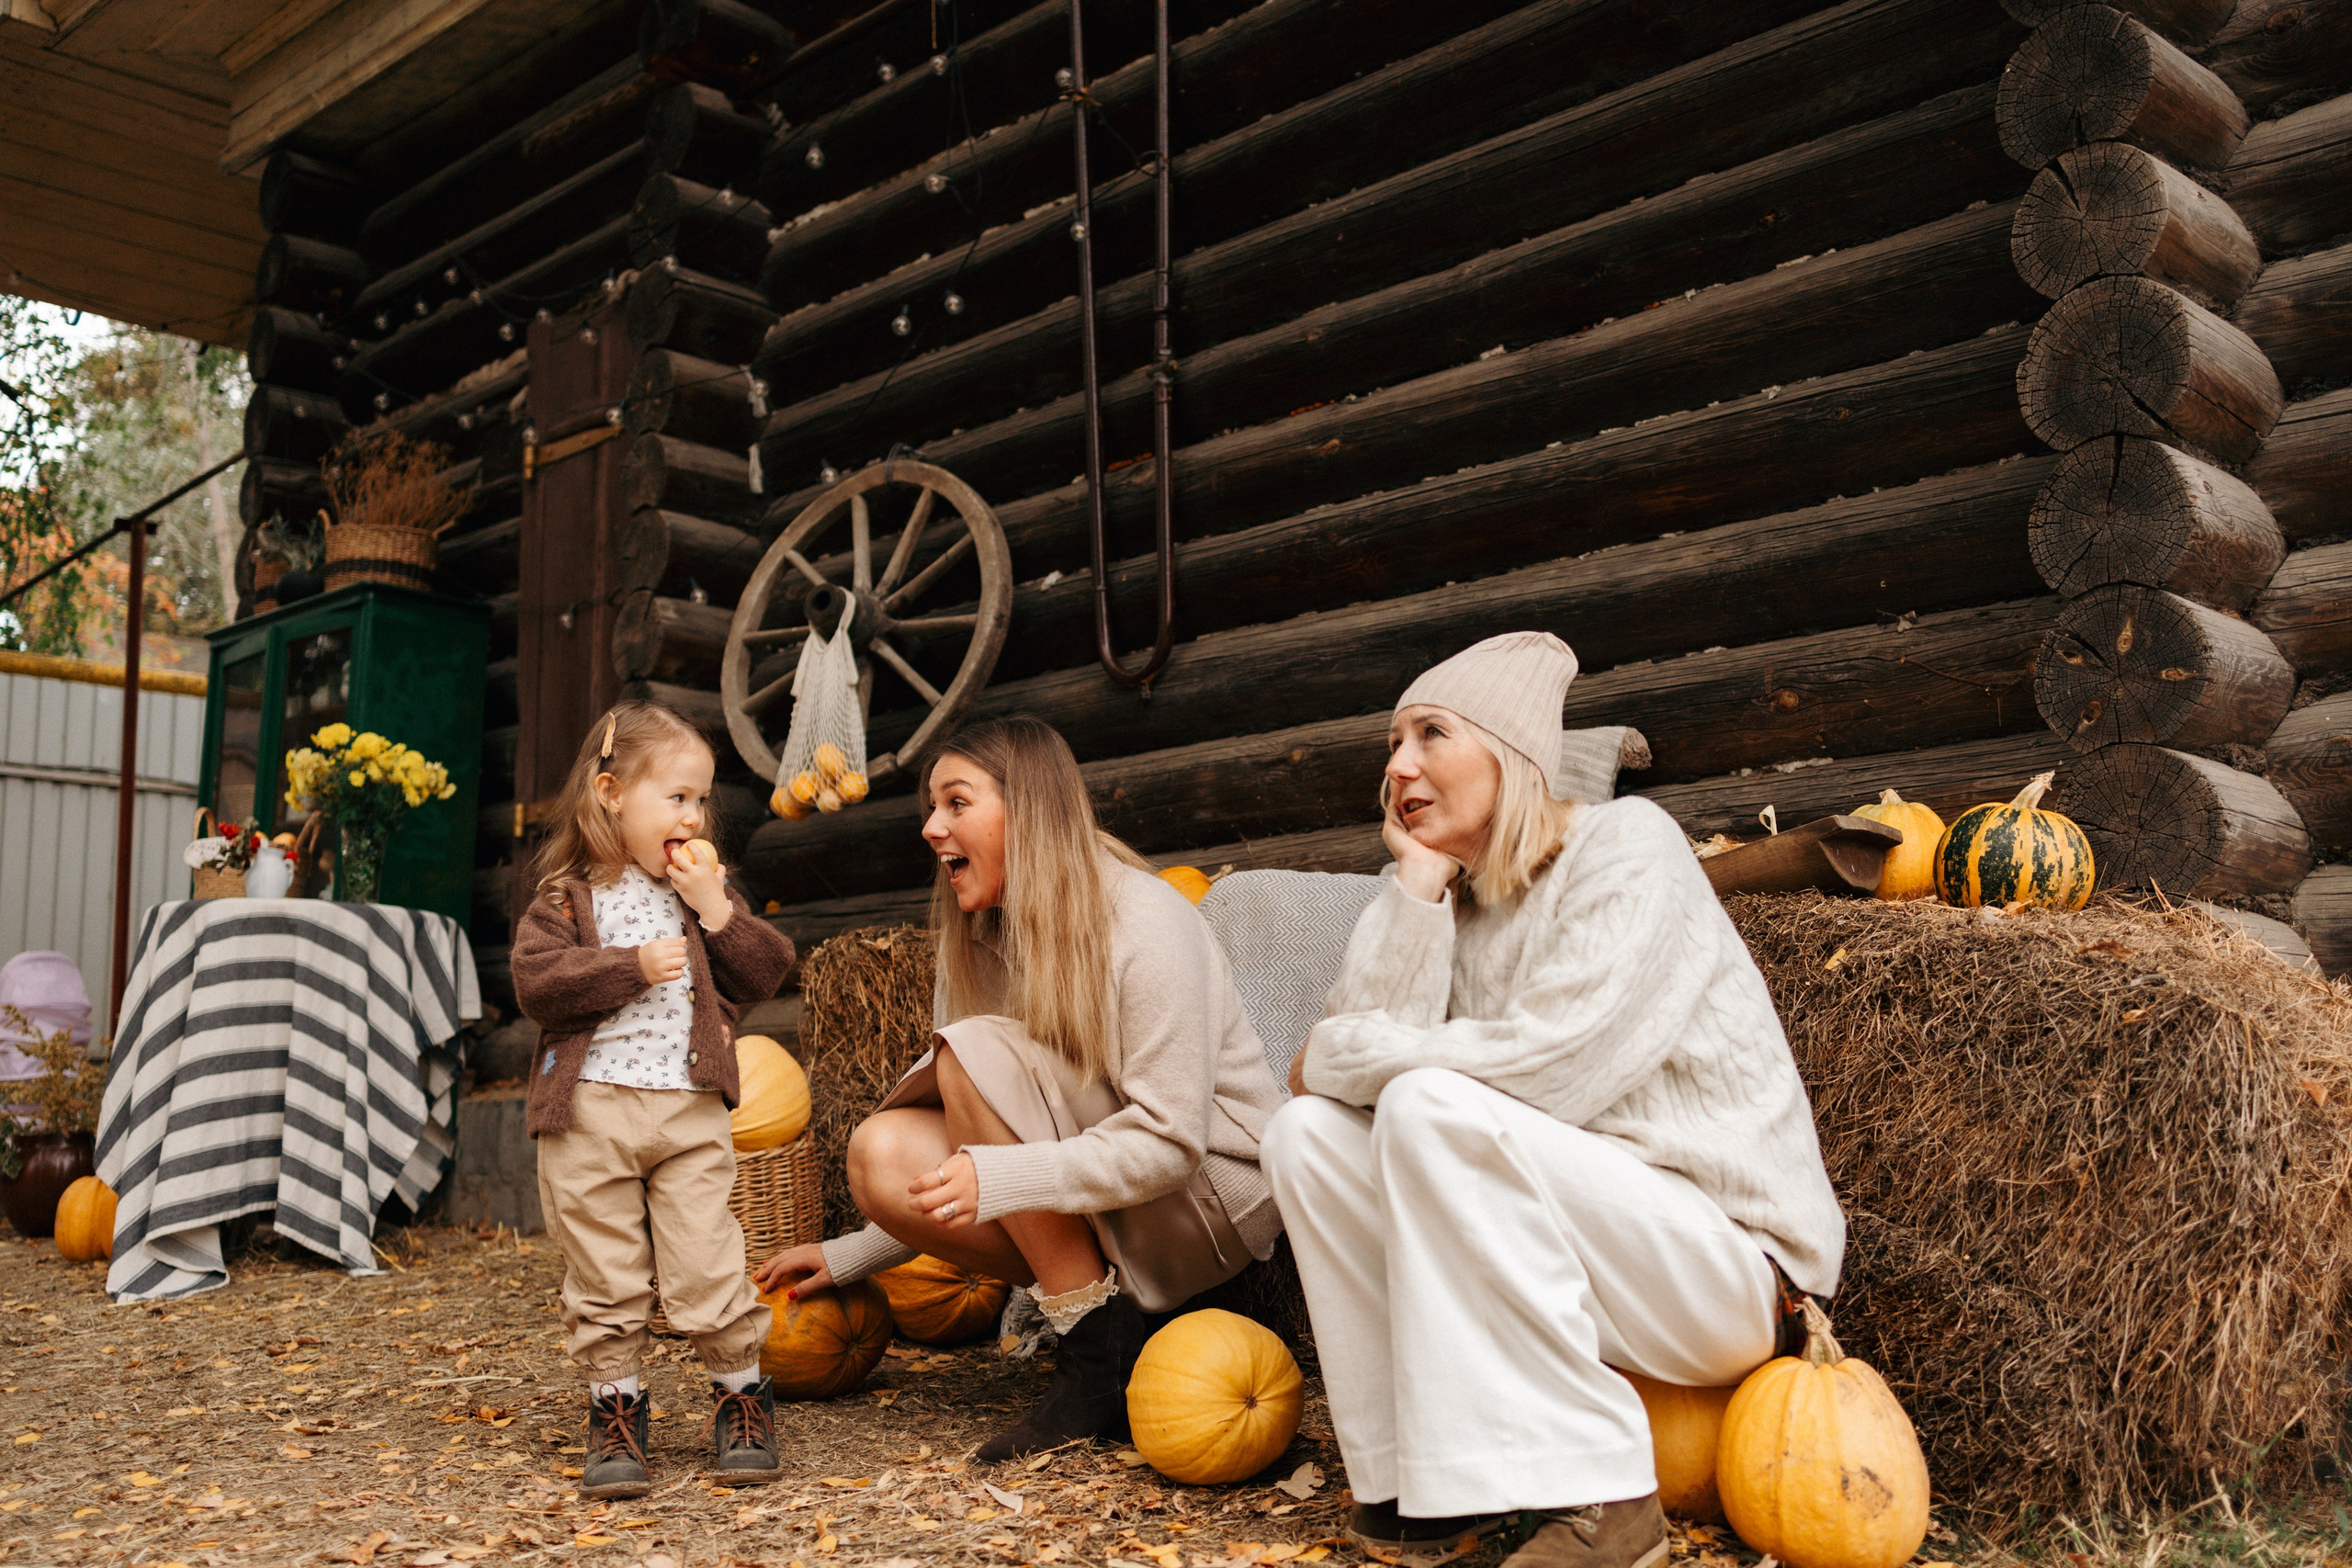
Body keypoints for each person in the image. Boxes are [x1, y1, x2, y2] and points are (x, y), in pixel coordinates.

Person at [1263, 632, 1845, 1568]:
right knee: (1306, 1136)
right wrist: (1415, 894)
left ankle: (1603, 1496)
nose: (1398, 766)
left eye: (1430, 733)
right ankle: (1418, 1484)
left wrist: (1341, 1054)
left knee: (1426, 1103)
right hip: (1587, 1241)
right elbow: (1322, 1082)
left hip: (1729, 1266)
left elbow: (1554, 1068)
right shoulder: (1446, 895)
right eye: (1392, 744)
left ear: (1510, 754)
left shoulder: (1626, 845)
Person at [754, 716, 1283, 1460]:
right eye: (931, 807)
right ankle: (1103, 1331)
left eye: (957, 802)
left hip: (1208, 1200)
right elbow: (983, 1128)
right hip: (1113, 1198)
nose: (932, 827)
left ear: (1029, 808)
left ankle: (1092, 1357)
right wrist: (859, 1252)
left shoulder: (1144, 917)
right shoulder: (979, 935)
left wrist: (1004, 1176)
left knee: (966, 1054)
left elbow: (1170, 1143)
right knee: (880, 1153)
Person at [513, 700, 798, 1498]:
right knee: (604, 1271)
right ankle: (616, 1409)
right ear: (611, 793)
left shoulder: (697, 892)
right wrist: (630, 966)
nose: (694, 815)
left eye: (700, 799)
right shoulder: (566, 898)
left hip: (688, 1109)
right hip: (590, 1112)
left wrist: (717, 909)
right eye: (676, 797)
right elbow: (537, 983)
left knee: (709, 1259)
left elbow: (766, 970)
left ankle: (742, 1397)